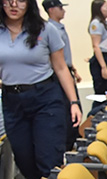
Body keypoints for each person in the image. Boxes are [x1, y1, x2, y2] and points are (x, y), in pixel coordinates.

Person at [0, 0, 81, 179]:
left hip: (45, 98)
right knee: (24, 160)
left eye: (20, 1)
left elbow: (61, 68)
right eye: (9, 0)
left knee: (49, 160)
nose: (14, 5)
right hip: (12, 100)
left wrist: (74, 102)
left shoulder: (45, 29)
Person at [42, 0, 80, 151]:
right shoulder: (49, 29)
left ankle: (73, 143)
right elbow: (55, 61)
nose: (63, 11)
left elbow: (64, 57)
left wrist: (73, 70)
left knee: (74, 108)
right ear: (51, 10)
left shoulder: (59, 27)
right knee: (67, 110)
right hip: (58, 76)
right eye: (60, 8)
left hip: (66, 71)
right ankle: (68, 147)